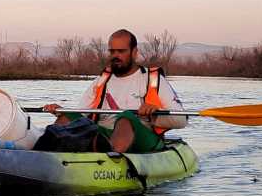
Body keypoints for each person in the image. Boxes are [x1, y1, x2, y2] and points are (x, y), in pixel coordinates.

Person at [42, 29, 188, 153]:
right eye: (112, 51)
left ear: (134, 52)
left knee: (126, 117)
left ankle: (112, 157)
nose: (115, 56)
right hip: (104, 135)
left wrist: (155, 113)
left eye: (121, 51)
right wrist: (62, 111)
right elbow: (82, 115)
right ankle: (44, 153)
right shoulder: (102, 80)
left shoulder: (153, 79)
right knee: (67, 117)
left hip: (143, 138)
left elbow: (181, 120)